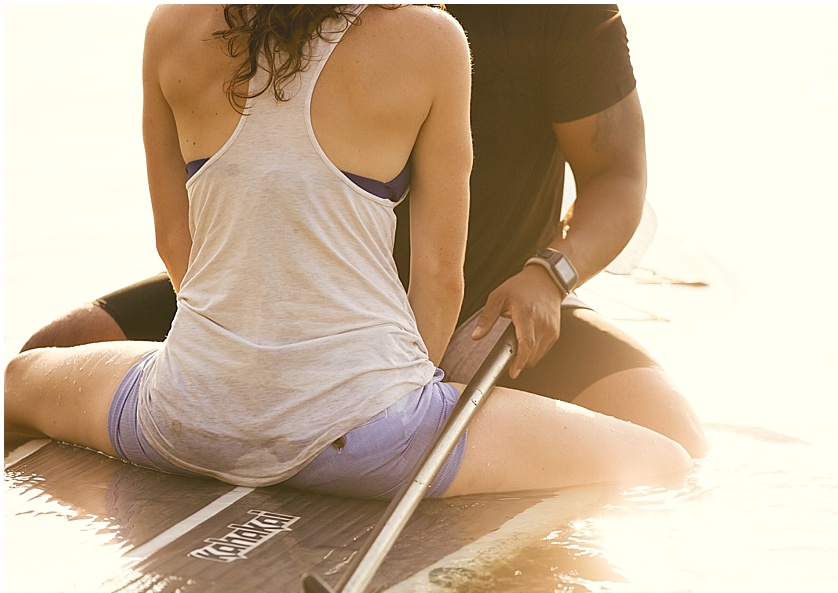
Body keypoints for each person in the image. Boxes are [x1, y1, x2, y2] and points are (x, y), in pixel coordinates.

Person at [5, 4, 691, 499]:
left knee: (675, 430)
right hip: (306, 305)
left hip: (498, 295)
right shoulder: (426, 38)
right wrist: (301, 349)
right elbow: (187, 243)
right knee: (62, 337)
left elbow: (617, 179)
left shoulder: (555, 15)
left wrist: (551, 274)